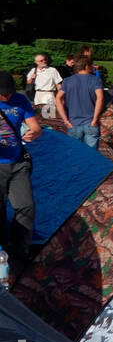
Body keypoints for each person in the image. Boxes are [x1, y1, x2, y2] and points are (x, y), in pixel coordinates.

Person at [0, 71, 41, 279]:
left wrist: (33, 132)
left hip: (18, 163)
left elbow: (35, 126)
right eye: (2, 94)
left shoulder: (20, 100)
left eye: (8, 93)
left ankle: (20, 252)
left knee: (26, 205)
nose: (6, 97)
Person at [55, 57, 105, 148]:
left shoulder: (67, 81)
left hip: (73, 122)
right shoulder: (95, 80)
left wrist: (65, 120)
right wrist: (95, 119)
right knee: (92, 156)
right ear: (86, 66)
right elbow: (100, 98)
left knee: (75, 155)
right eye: (91, 65)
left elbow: (58, 98)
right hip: (91, 121)